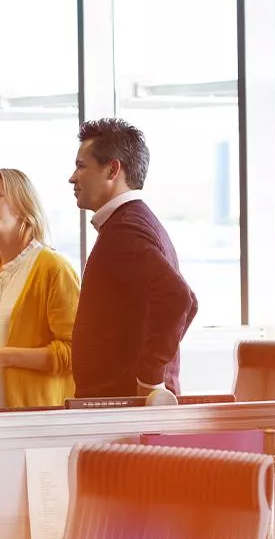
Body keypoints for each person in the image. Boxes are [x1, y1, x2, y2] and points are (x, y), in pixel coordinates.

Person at [69, 117, 197, 399]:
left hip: (122, 405)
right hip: (120, 402)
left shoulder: (126, 229)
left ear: (113, 169)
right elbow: (182, 300)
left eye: (81, 166)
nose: (72, 177)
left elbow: (179, 298)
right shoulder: (135, 222)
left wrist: (150, 379)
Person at [0, 168, 80, 410]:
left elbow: (74, 352)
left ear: (22, 202)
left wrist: (2, 356)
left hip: (32, 420)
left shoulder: (53, 268)